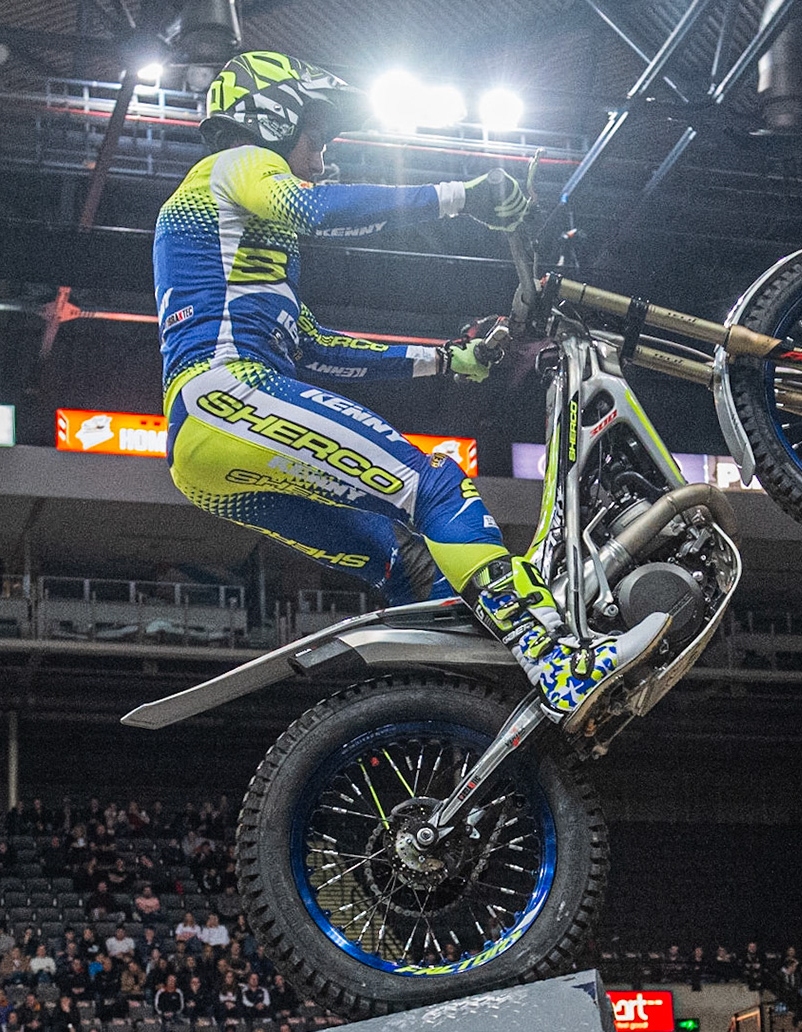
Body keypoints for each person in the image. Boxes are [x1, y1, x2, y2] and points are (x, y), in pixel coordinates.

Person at [154, 51, 668, 726]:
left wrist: (446, 362)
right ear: (271, 118)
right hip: (230, 395)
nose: (321, 156)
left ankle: (438, 707)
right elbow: (306, 207)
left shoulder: (241, 254)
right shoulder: (238, 165)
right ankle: (559, 660)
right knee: (436, 489)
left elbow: (317, 348)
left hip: (205, 452)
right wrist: (463, 196)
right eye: (317, 138)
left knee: (401, 560)